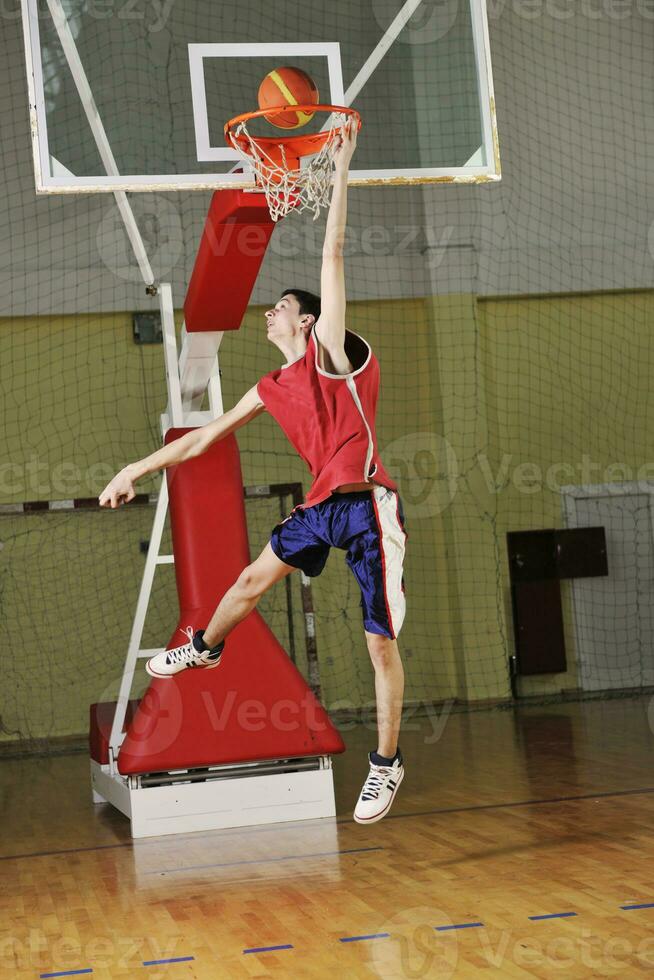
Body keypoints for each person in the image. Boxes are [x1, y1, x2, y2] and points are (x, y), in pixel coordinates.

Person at [98, 123, 408, 824]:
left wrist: (343, 166)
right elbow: (200, 439)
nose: (269, 313)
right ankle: (203, 648)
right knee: (243, 584)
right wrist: (137, 467)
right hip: (324, 506)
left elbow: (331, 254)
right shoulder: (270, 385)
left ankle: (386, 765)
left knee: (378, 643)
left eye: (281, 308)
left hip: (367, 508)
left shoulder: (332, 353)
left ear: (308, 320)